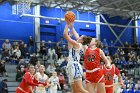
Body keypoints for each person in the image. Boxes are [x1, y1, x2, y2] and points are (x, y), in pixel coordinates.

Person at [69, 23, 110, 93]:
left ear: (95, 43)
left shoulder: (99, 50)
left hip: (97, 72)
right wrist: (72, 28)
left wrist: (108, 64)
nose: (90, 40)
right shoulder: (86, 48)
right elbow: (78, 38)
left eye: (92, 40)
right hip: (88, 74)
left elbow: (106, 60)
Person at [63, 23, 89, 93]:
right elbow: (69, 48)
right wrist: (72, 28)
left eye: (80, 37)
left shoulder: (77, 44)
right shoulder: (80, 45)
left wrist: (67, 24)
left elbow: (65, 35)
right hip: (70, 66)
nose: (78, 36)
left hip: (75, 65)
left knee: (80, 89)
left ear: (82, 40)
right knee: (75, 91)